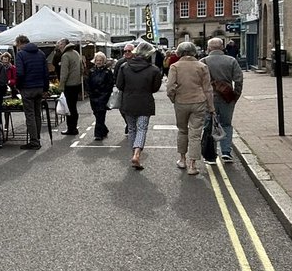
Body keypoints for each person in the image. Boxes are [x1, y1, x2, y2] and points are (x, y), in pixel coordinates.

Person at [166, 41, 215, 176]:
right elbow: (208, 89)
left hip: (181, 102)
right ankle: (193, 165)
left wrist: (173, 99)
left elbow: (170, 87)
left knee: (182, 130)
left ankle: (182, 159)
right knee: (195, 134)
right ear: (194, 52)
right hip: (199, 101)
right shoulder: (202, 66)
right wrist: (211, 107)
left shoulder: (174, 66)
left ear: (179, 52)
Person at [116, 41, 162, 169]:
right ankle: (137, 154)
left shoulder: (124, 67)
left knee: (131, 129)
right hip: (145, 102)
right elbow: (155, 88)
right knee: (142, 129)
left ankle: (133, 154)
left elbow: (119, 85)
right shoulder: (154, 70)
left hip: (128, 102)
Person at [203, 37, 243, 163]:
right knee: (226, 124)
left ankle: (211, 156)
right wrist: (235, 95)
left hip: (209, 98)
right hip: (227, 97)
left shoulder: (203, 61)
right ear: (222, 47)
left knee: (209, 125)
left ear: (209, 48)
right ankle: (226, 152)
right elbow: (239, 79)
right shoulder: (231, 60)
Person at [14, 34, 47, 150]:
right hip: (39, 87)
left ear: (20, 43)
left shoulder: (21, 55)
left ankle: (34, 141)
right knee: (37, 113)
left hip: (27, 88)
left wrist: (18, 86)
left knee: (30, 115)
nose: (17, 47)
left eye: (17, 44)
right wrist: (45, 88)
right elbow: (45, 72)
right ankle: (36, 137)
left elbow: (20, 73)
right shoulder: (41, 53)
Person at [85, 52, 115, 141]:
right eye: (97, 60)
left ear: (104, 61)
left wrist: (105, 95)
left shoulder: (107, 72)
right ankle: (104, 130)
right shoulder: (91, 71)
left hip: (103, 96)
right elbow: (88, 83)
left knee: (100, 115)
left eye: (100, 60)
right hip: (93, 96)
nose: (98, 62)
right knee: (96, 114)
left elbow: (110, 84)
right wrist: (90, 93)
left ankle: (98, 134)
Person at [57, 40, 84, 136]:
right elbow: (82, 68)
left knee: (69, 108)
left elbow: (64, 73)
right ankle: (74, 127)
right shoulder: (76, 53)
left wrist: (61, 86)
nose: (59, 47)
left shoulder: (65, 56)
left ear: (65, 45)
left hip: (69, 85)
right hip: (76, 84)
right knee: (73, 107)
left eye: (60, 45)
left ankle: (70, 128)